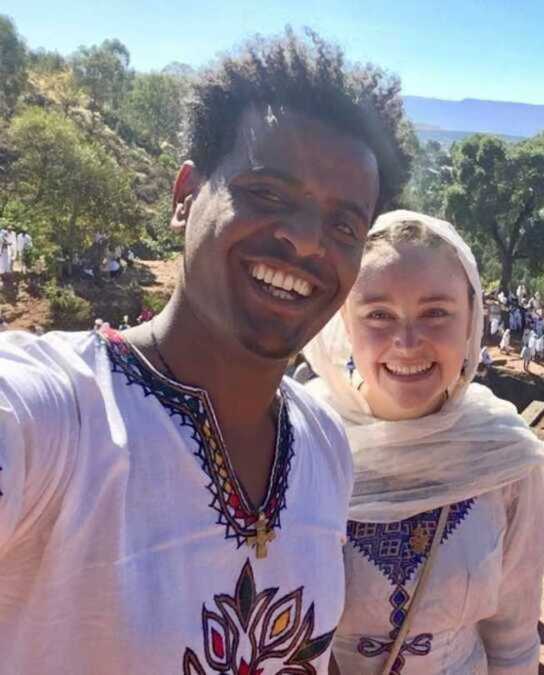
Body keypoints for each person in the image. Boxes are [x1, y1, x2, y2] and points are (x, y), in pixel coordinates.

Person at [0, 31, 411, 674]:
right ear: (185, 194)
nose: (306, 243)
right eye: (268, 194)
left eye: (343, 226)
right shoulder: (62, 418)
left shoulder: (326, 444)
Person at [303, 212, 544, 674]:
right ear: (345, 324)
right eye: (378, 314)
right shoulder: (304, 440)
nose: (406, 341)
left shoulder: (505, 456)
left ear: (471, 321)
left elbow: (514, 640)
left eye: (436, 312)